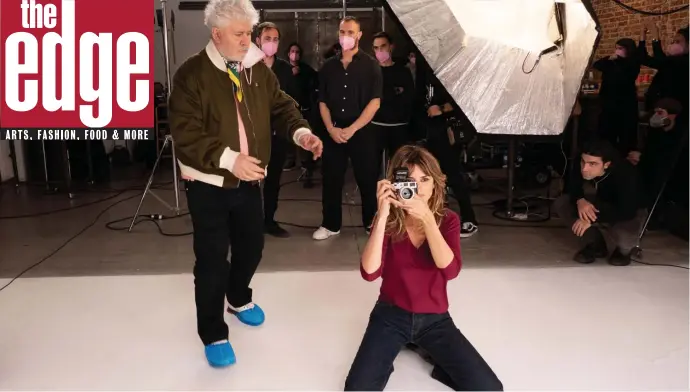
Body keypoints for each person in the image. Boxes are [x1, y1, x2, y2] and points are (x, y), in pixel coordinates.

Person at [168, 0, 323, 368]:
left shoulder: (255, 68)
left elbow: (281, 105)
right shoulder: (191, 73)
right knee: (211, 261)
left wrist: (301, 132)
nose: (247, 40)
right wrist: (229, 159)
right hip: (208, 182)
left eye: (249, 33)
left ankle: (237, 298)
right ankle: (213, 331)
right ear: (216, 33)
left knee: (252, 247)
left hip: (250, 179)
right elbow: (185, 132)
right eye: (239, 34)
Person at [344, 145, 503, 391]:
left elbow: (450, 270)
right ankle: (391, 356)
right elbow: (369, 272)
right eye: (409, 180)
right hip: (390, 315)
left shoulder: (448, 220)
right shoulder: (389, 220)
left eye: (424, 179)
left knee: (488, 388)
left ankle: (431, 356)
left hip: (435, 319)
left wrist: (427, 219)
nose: (417, 188)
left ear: (436, 183)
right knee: (357, 388)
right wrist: (383, 213)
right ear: (395, 183)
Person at [313, 16, 384, 240]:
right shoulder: (328, 67)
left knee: (367, 177)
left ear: (359, 35)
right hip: (333, 131)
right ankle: (330, 224)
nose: (346, 36)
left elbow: (375, 102)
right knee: (331, 178)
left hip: (361, 130)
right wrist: (331, 129)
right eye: (343, 32)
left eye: (351, 32)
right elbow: (322, 102)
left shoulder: (371, 65)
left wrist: (353, 128)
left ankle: (371, 223)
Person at [554, 139, 640, 266]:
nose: (585, 168)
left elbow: (627, 209)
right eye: (583, 162)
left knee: (624, 240)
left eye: (592, 164)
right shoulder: (582, 163)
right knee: (563, 203)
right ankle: (595, 244)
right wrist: (580, 200)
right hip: (601, 202)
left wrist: (591, 218)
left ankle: (624, 251)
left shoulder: (625, 174)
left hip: (627, 210)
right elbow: (573, 185)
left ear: (606, 164)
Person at [421, 67, 479, 237]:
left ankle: (469, 219)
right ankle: (435, 218)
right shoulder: (427, 70)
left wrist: (441, 108)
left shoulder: (453, 69)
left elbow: (465, 98)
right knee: (430, 176)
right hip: (429, 130)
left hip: (448, 131)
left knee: (453, 174)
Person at [255, 21, 299, 238]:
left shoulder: (284, 69)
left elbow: (290, 101)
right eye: (267, 39)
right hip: (253, 134)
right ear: (257, 41)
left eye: (274, 39)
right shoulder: (247, 65)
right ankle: (248, 222)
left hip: (278, 134)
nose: (271, 43)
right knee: (250, 180)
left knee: (273, 180)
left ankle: (269, 220)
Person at [627, 98, 687, 230]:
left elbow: (670, 160)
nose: (655, 117)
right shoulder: (656, 133)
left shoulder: (681, 136)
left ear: (672, 115)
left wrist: (643, 159)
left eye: (660, 113)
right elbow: (651, 153)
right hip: (654, 170)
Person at [371, 32, 415, 164]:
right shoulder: (370, 72)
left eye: (383, 46)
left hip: (399, 127)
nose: (380, 51)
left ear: (391, 47)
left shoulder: (403, 71)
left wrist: (385, 94)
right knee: (371, 168)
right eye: (376, 48)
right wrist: (395, 91)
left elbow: (408, 97)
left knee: (400, 169)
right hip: (375, 126)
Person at [591, 38, 640, 154]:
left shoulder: (633, 62)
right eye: (616, 48)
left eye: (620, 48)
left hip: (625, 104)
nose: (617, 51)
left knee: (626, 135)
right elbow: (597, 65)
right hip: (609, 103)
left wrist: (620, 60)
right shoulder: (612, 61)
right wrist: (609, 58)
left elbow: (627, 74)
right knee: (606, 134)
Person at [285, 42, 319, 188]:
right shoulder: (283, 69)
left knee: (305, 141)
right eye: (292, 51)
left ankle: (307, 171)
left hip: (305, 111)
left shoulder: (306, 70)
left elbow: (316, 83)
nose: (295, 54)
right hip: (288, 111)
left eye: (297, 52)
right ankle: (290, 160)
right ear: (288, 54)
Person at [638, 24, 689, 113]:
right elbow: (644, 59)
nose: (673, 44)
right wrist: (642, 37)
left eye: (678, 42)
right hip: (660, 109)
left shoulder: (684, 62)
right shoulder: (669, 62)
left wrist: (655, 36)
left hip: (676, 114)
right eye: (673, 42)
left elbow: (660, 60)